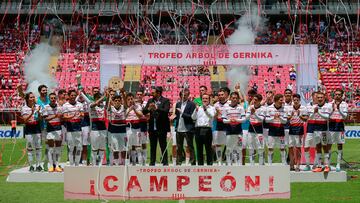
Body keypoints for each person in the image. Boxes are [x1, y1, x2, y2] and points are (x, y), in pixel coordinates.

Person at [143, 86, 170, 166]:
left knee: (163, 146)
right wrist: (148, 108)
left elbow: (166, 111)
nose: (151, 94)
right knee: (152, 146)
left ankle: (165, 163)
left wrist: (157, 108)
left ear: (158, 93)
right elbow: (144, 111)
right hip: (152, 127)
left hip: (162, 128)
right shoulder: (150, 100)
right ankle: (152, 163)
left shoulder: (165, 100)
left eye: (153, 92)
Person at [310, 92, 333, 173]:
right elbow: (310, 118)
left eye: (321, 97)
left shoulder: (328, 106)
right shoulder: (314, 107)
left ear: (324, 98)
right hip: (316, 129)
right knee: (318, 147)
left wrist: (318, 112)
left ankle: (326, 165)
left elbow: (327, 117)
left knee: (325, 147)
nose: (319, 99)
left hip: (324, 130)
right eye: (318, 97)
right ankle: (319, 166)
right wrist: (314, 112)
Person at [41, 93, 63, 172]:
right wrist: (55, 116)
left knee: (58, 149)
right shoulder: (46, 107)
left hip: (58, 129)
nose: (53, 99)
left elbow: (62, 118)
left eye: (54, 98)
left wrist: (61, 117)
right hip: (50, 130)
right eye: (51, 98)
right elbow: (46, 119)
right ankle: (51, 166)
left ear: (56, 98)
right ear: (49, 99)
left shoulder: (60, 108)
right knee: (50, 149)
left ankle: (57, 165)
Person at [191, 94, 215, 165]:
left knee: (208, 149)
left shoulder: (212, 108)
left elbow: (211, 116)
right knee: (199, 149)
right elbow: (193, 118)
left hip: (207, 129)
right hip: (198, 129)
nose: (205, 100)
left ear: (209, 99)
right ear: (201, 100)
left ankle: (209, 165)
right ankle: (200, 166)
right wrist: (196, 110)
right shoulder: (198, 108)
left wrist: (205, 109)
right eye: (203, 98)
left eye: (206, 98)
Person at [222, 92, 246, 165]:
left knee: (238, 149)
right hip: (229, 131)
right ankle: (229, 164)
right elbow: (224, 120)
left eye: (236, 98)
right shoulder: (226, 108)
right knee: (229, 149)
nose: (235, 99)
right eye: (233, 98)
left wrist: (236, 120)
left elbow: (244, 119)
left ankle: (238, 165)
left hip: (239, 131)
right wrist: (230, 121)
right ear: (230, 98)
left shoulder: (240, 108)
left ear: (238, 99)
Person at [174, 88, 196, 165]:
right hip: (179, 129)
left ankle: (193, 162)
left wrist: (182, 113)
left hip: (188, 128)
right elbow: (177, 116)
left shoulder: (192, 104)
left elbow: (191, 117)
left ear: (188, 95)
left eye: (185, 95)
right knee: (179, 147)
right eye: (182, 95)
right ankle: (179, 162)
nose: (184, 96)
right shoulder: (178, 104)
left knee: (190, 146)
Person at [62, 90, 84, 166]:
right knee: (71, 148)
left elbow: (82, 114)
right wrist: (72, 116)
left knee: (79, 147)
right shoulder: (65, 105)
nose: (73, 97)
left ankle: (77, 163)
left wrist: (81, 115)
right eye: (71, 95)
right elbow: (64, 117)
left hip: (78, 129)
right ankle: (71, 164)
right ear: (68, 96)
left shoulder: (80, 104)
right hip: (70, 129)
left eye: (75, 95)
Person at [287, 94, 308, 171]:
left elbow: (306, 119)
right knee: (290, 147)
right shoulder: (289, 108)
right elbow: (287, 119)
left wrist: (300, 116)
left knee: (298, 148)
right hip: (291, 128)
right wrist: (291, 116)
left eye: (297, 100)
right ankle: (292, 164)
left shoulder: (303, 108)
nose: (295, 101)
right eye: (294, 100)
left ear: (299, 100)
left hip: (299, 129)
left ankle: (298, 165)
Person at [328, 89, 348, 172]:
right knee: (329, 145)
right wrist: (332, 110)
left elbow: (345, 117)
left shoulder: (344, 104)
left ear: (342, 95)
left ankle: (338, 164)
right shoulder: (329, 104)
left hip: (340, 126)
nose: (337, 96)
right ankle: (328, 164)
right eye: (336, 94)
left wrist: (339, 109)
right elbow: (327, 116)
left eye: (339, 94)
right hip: (331, 125)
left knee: (340, 146)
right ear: (334, 95)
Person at [21, 92, 42, 172]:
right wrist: (32, 112)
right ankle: (31, 166)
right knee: (30, 148)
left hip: (37, 128)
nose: (33, 99)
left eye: (33, 97)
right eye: (31, 97)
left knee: (38, 148)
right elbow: (25, 120)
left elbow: (40, 119)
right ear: (27, 99)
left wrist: (39, 113)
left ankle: (39, 165)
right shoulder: (24, 108)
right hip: (29, 129)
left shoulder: (38, 106)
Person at [265, 94, 287, 165]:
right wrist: (273, 118)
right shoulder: (269, 108)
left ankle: (284, 163)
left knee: (282, 148)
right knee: (270, 148)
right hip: (272, 130)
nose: (282, 101)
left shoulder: (284, 109)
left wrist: (280, 117)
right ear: (275, 101)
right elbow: (266, 120)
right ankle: (270, 164)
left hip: (281, 130)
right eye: (280, 100)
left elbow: (285, 121)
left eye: (282, 100)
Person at [246, 94, 266, 165]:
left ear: (260, 101)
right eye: (253, 99)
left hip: (259, 130)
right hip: (251, 129)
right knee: (251, 148)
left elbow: (262, 119)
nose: (254, 101)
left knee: (260, 148)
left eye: (256, 100)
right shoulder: (250, 107)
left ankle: (261, 164)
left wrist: (255, 113)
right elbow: (247, 118)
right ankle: (252, 164)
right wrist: (251, 113)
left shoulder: (263, 108)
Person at [125, 93, 144, 165]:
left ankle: (140, 164)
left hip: (137, 128)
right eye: (128, 99)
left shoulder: (138, 106)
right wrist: (129, 109)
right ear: (126, 100)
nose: (130, 100)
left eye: (131, 99)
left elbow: (140, 115)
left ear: (134, 99)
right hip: (128, 128)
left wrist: (134, 109)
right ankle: (130, 163)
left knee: (138, 147)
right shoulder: (125, 107)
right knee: (128, 147)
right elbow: (123, 117)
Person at [107, 95, 127, 165]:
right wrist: (108, 96)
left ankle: (123, 163)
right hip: (114, 133)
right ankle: (116, 164)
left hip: (123, 132)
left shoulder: (123, 107)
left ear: (121, 101)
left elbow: (126, 104)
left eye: (119, 100)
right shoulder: (111, 108)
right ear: (113, 102)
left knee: (124, 149)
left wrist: (122, 93)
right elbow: (107, 105)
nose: (117, 102)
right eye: (115, 100)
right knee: (115, 149)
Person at [89, 92, 107, 166]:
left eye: (102, 99)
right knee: (94, 147)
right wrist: (103, 97)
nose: (101, 100)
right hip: (94, 128)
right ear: (96, 99)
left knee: (102, 147)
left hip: (103, 128)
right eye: (99, 98)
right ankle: (93, 164)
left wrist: (108, 94)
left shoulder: (103, 105)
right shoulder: (91, 104)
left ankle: (101, 164)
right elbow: (94, 104)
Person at [213, 87, 230, 165]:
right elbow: (213, 117)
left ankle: (227, 160)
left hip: (228, 126)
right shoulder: (215, 105)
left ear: (225, 95)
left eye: (222, 94)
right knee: (218, 144)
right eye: (219, 95)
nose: (220, 96)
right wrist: (217, 113)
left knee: (228, 144)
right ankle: (219, 160)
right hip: (219, 126)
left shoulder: (230, 103)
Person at [304, 92, 319, 171]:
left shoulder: (321, 105)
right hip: (310, 129)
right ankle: (307, 164)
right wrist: (314, 112)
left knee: (317, 147)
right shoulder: (307, 106)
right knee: (306, 147)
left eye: (318, 96)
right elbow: (306, 118)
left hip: (318, 128)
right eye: (316, 96)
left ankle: (315, 164)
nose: (317, 98)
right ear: (312, 97)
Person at [135, 89, 149, 166]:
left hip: (144, 125)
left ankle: (144, 162)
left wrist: (141, 116)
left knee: (144, 144)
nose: (139, 96)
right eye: (138, 94)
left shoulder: (146, 104)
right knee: (137, 145)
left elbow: (148, 116)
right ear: (136, 95)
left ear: (143, 95)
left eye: (141, 94)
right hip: (136, 125)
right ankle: (139, 162)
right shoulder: (135, 104)